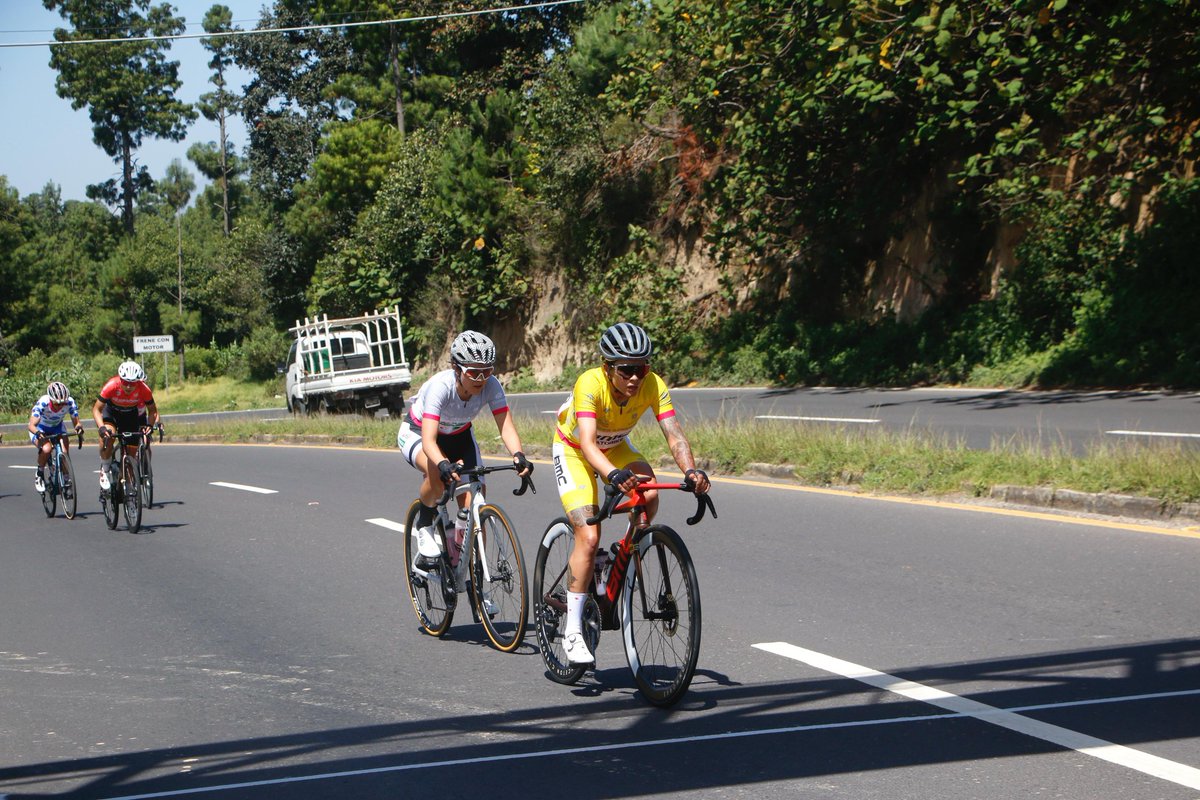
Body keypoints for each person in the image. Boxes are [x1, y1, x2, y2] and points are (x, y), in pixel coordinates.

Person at [551, 322, 711, 664]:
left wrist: (690, 471)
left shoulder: (653, 385)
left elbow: (674, 433)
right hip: (576, 450)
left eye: (642, 368)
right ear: (608, 368)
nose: (635, 377)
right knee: (588, 535)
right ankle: (574, 629)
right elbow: (589, 443)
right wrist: (612, 475)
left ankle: (621, 558)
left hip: (617, 446)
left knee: (649, 494)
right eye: (626, 370)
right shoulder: (589, 383)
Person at [397, 330, 533, 569]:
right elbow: (429, 441)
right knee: (436, 476)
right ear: (456, 368)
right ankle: (425, 523)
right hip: (419, 433)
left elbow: (506, 427)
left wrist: (518, 455)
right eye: (473, 372)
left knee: (474, 504)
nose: (481, 378)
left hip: (460, 436)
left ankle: (474, 569)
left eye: (487, 371)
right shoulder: (441, 387)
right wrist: (442, 464)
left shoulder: (492, 386)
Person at [93, 360, 161, 490]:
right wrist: (102, 428)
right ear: (120, 379)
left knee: (131, 455)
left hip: (130, 415)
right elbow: (96, 409)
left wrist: (150, 426)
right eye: (125, 382)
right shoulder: (111, 385)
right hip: (112, 413)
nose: (129, 387)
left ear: (138, 381)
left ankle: (128, 486)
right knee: (108, 436)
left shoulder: (143, 389)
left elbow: (152, 410)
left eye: (132, 383)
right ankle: (105, 468)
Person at [28, 381, 84, 493]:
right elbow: (31, 425)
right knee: (47, 448)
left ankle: (66, 478)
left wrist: (78, 427)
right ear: (50, 400)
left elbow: (77, 422)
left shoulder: (69, 402)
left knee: (64, 452)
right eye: (57, 404)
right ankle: (39, 473)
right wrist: (38, 433)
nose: (60, 406)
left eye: (63, 403)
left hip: (57, 427)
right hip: (40, 428)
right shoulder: (43, 402)